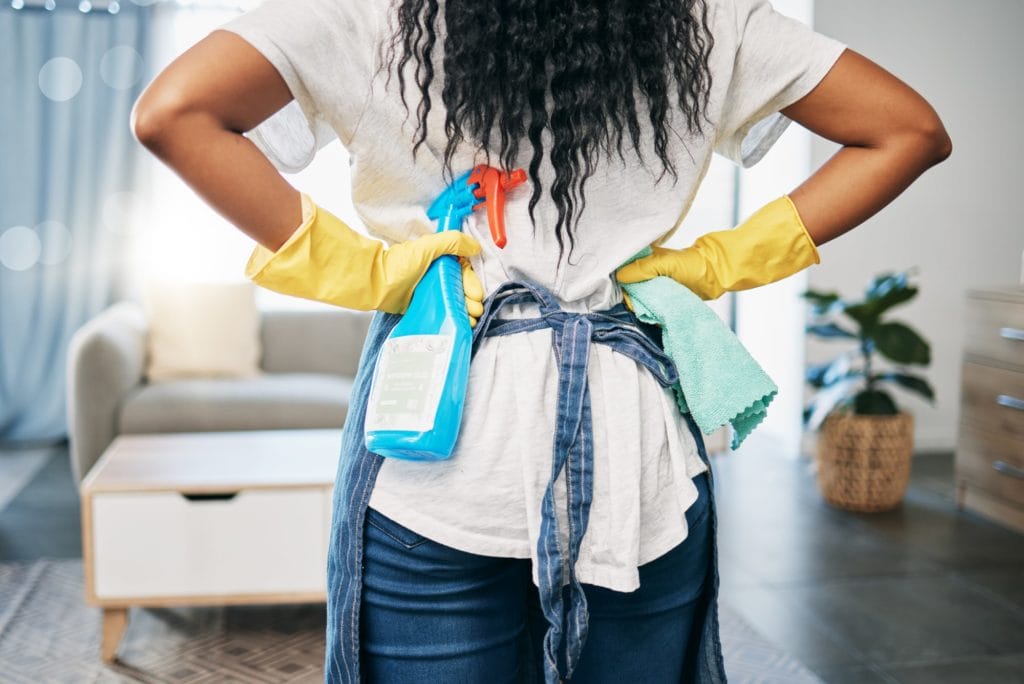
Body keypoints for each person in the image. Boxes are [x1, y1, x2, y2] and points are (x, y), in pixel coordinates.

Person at [131, 0, 952, 681]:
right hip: (638, 461)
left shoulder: (370, 12)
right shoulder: (707, 20)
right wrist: (717, 263)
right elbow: (906, 130)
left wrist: (363, 271)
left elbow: (174, 112)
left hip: (438, 455)